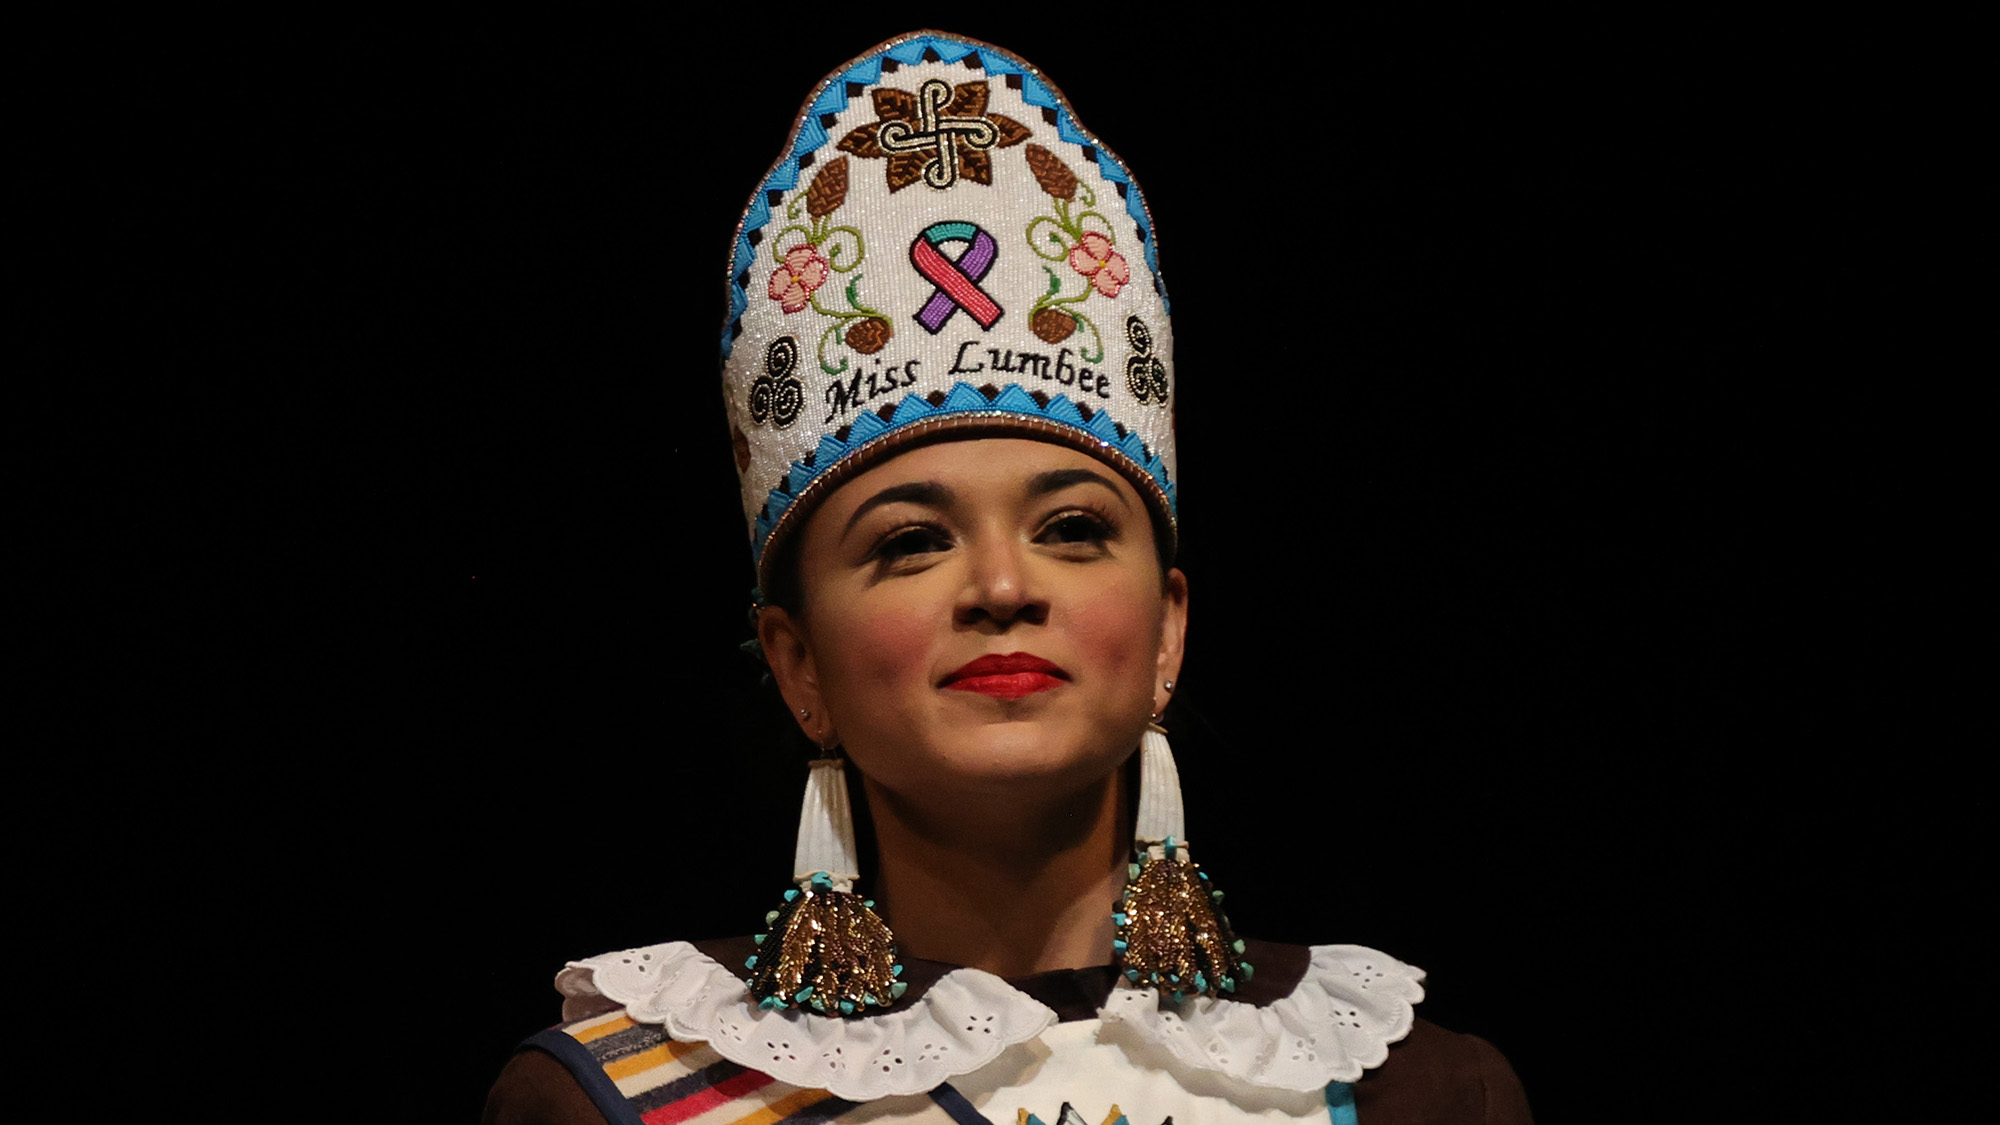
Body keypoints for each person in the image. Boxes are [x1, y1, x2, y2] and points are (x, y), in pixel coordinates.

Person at [485, 30, 1532, 1125]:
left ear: (1168, 628)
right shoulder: (625, 1095)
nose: (998, 586)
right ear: (798, 665)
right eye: (909, 543)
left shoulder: (1404, 1087)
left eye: (1071, 529)